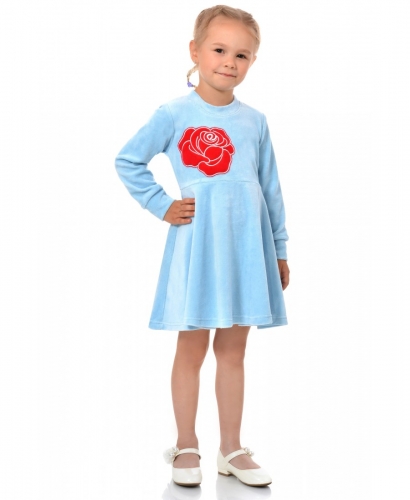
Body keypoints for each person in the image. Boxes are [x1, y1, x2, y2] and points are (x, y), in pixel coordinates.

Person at [114, 5, 290, 488]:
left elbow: (271, 189)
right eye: (219, 50)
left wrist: (279, 249)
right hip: (199, 247)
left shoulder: (255, 121)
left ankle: (231, 447)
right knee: (191, 347)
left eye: (242, 55)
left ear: (253, 61)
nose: (229, 62)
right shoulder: (173, 113)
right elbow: (128, 160)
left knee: (233, 350)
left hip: (247, 251)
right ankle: (186, 442)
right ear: (195, 51)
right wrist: (162, 204)